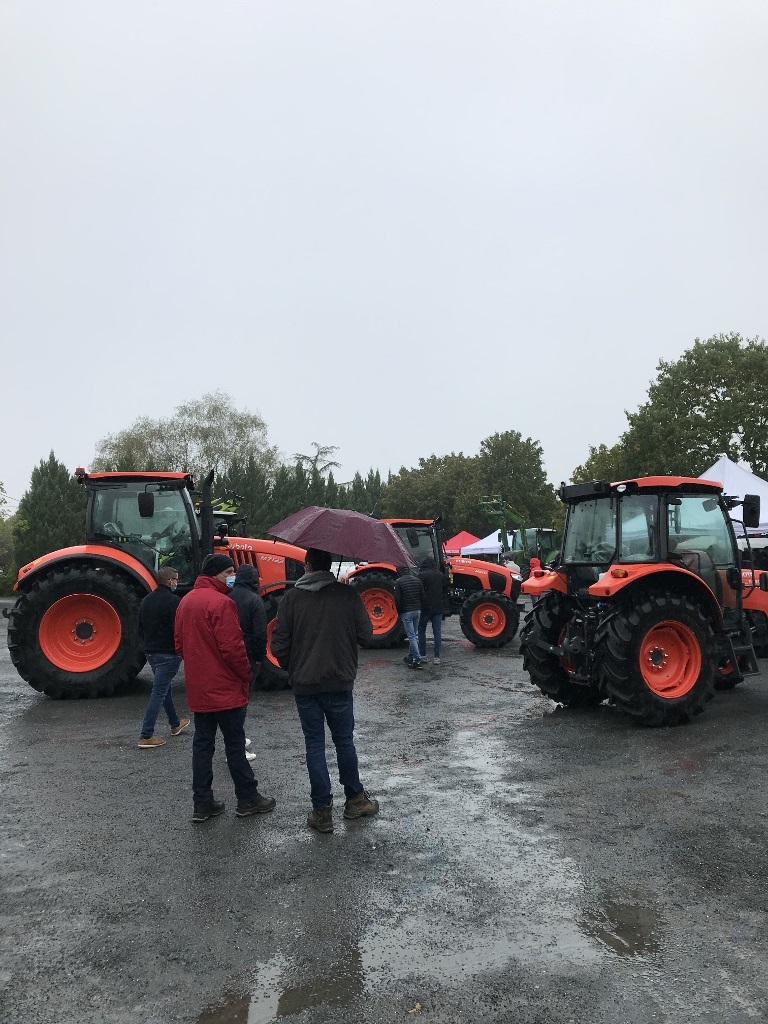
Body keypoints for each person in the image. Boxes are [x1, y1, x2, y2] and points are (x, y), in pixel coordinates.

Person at [271, 547, 378, 834]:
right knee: (344, 741)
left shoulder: (292, 598)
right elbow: (367, 635)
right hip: (340, 681)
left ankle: (322, 812)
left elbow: (278, 644)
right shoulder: (347, 595)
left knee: (314, 744)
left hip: (305, 685)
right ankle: (355, 799)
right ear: (329, 565)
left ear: (307, 565)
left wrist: (294, 669)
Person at [174, 553, 275, 823]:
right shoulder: (222, 603)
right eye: (229, 571)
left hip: (199, 688)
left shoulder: (185, 602)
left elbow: (179, 645)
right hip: (226, 687)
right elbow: (233, 648)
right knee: (234, 744)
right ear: (216, 574)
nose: (232, 576)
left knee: (203, 746)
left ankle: (202, 803)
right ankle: (248, 798)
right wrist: (245, 674)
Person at [137, 565, 190, 749]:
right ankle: (146, 735)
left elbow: (140, 628)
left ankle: (175, 723)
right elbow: (181, 628)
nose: (177, 582)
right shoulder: (175, 601)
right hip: (168, 653)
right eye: (175, 579)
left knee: (164, 687)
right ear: (169, 581)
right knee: (159, 691)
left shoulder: (146, 600)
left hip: (151, 652)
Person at [417, 557, 448, 665]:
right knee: (437, 632)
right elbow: (445, 587)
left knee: (421, 630)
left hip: (425, 607)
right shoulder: (440, 575)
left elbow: (419, 590)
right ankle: (437, 657)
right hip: (438, 607)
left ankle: (423, 655)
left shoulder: (421, 576)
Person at [394, 565, 426, 669]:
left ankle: (417, 660)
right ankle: (410, 656)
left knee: (412, 636)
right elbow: (423, 596)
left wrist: (400, 612)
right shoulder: (417, 580)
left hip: (406, 612)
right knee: (414, 635)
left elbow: (397, 599)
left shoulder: (398, 582)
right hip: (417, 611)